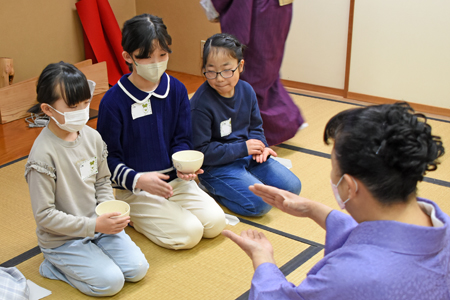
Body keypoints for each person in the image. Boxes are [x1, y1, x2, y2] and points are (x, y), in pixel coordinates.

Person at [223, 102, 449, 299]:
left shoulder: (353, 275)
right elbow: (384, 241)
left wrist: (263, 259)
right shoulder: (440, 226)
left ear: (349, 186)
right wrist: (314, 209)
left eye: (333, 169)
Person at [96, 14, 226, 250]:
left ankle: (168, 212)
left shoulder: (176, 89)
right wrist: (139, 180)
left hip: (175, 182)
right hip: (136, 190)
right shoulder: (113, 102)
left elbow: (182, 138)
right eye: (145, 57)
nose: (155, 62)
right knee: (190, 234)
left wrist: (184, 166)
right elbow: (107, 160)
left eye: (162, 55)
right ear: (128, 57)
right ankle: (134, 217)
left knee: (216, 223)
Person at [25, 62, 149, 297]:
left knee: (137, 270)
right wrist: (92, 225)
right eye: (73, 106)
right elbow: (44, 216)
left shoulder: (91, 137)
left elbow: (102, 180)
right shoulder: (42, 155)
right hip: (63, 239)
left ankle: (94, 251)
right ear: (48, 109)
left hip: (97, 226)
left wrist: (105, 212)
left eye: (85, 103)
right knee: (110, 284)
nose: (82, 111)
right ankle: (52, 265)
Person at [190, 33, 302, 217]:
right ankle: (213, 189)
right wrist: (243, 148)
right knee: (259, 205)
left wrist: (261, 147)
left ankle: (244, 180)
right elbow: (201, 151)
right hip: (216, 166)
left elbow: (256, 127)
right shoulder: (201, 104)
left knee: (292, 188)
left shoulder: (247, 90)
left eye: (226, 70)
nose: (219, 78)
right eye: (211, 71)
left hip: (248, 156)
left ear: (240, 66)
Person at [208, 0, 305, 146]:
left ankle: (256, 133)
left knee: (251, 73)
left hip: (255, 10)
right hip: (277, 10)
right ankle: (285, 120)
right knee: (266, 71)